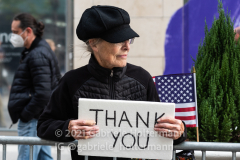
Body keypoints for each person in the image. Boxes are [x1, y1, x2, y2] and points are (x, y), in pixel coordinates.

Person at [37, 5, 187, 160]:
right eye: (118, 40)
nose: (127, 46)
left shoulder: (142, 78)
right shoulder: (72, 81)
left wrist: (179, 132)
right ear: (94, 44)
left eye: (129, 39)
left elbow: (164, 131)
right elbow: (43, 126)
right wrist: (68, 129)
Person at [8, 13, 61, 160]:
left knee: (26, 157)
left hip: (33, 120)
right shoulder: (36, 51)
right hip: (38, 118)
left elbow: (43, 93)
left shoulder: (37, 54)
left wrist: (25, 115)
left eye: (15, 32)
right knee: (44, 157)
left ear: (28, 31)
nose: (12, 36)